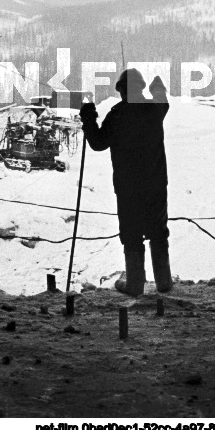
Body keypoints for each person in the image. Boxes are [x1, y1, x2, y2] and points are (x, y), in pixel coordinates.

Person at [79, 69, 172, 296]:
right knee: (158, 232)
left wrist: (89, 117)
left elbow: (98, 143)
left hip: (128, 188)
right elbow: (163, 100)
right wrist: (157, 87)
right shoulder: (154, 110)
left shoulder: (117, 116)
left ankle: (134, 284)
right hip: (156, 185)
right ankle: (164, 282)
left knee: (131, 234)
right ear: (141, 88)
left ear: (121, 90)